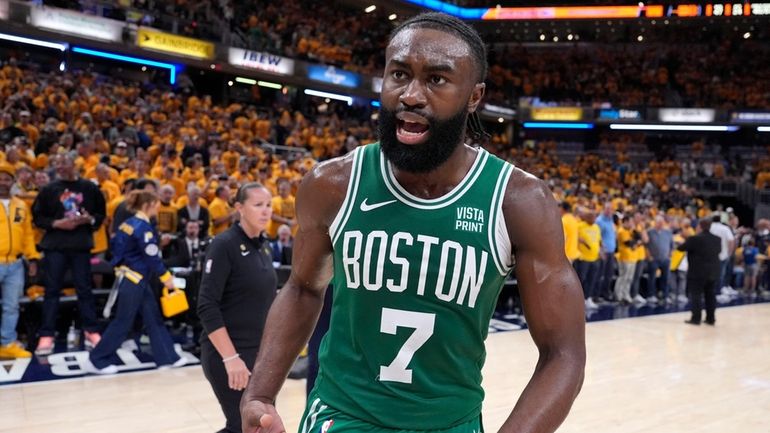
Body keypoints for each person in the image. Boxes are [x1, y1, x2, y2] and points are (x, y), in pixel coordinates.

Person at [241, 13, 585, 433]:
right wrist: (259, 393)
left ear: (474, 96)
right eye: (399, 74)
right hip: (342, 417)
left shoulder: (518, 201)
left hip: (451, 423)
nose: (411, 95)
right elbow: (302, 289)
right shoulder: (332, 184)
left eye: (437, 79)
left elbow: (563, 353)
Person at [197, 183, 277, 433]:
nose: (265, 212)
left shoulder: (264, 245)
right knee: (244, 426)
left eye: (268, 205)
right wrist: (231, 359)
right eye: (258, 205)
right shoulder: (224, 245)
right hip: (229, 355)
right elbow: (206, 305)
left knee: (257, 425)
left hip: (258, 356)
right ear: (240, 208)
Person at [88, 190, 186, 373]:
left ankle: (167, 357)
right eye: (156, 204)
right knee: (123, 321)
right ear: (148, 205)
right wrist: (167, 279)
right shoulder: (143, 228)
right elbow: (152, 258)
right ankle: (97, 359)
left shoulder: (127, 224)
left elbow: (117, 252)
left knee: (153, 318)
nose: (158, 207)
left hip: (133, 277)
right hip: (135, 280)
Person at [32, 154, 106, 356]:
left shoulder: (90, 188)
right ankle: (46, 335)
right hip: (55, 246)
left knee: (85, 290)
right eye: (57, 164)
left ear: (75, 164)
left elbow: (100, 215)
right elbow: (37, 217)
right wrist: (57, 224)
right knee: (52, 291)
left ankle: (91, 331)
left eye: (64, 163)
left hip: (81, 246)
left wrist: (88, 220)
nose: (60, 167)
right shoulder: (49, 189)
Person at [0, 165, 40, 359]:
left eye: (6, 179)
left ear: (13, 182)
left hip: (15, 264)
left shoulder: (21, 205)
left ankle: (7, 343)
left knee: (12, 306)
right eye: (0, 178)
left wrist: (32, 257)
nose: (2, 182)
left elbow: (27, 235)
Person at [678, 218, 722, 325]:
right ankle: (711, 318)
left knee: (696, 295)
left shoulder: (694, 239)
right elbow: (718, 251)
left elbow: (681, 248)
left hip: (697, 272)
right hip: (712, 271)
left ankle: (696, 318)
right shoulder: (717, 239)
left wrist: (685, 239)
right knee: (710, 295)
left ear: (699, 226)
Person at [646, 216, 674, 303]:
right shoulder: (649, 232)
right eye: (659, 222)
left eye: (662, 222)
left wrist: (670, 253)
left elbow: (671, 244)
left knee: (666, 278)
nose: (661, 224)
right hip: (654, 259)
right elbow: (646, 245)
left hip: (665, 259)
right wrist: (649, 256)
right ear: (655, 223)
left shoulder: (668, 232)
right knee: (652, 278)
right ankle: (651, 295)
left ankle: (665, 296)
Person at [709, 214, 735, 292]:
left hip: (710, 255)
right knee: (721, 274)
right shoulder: (725, 228)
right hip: (723, 255)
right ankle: (719, 291)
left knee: (710, 273)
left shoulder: (709, 227)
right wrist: (729, 253)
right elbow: (731, 240)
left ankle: (709, 291)